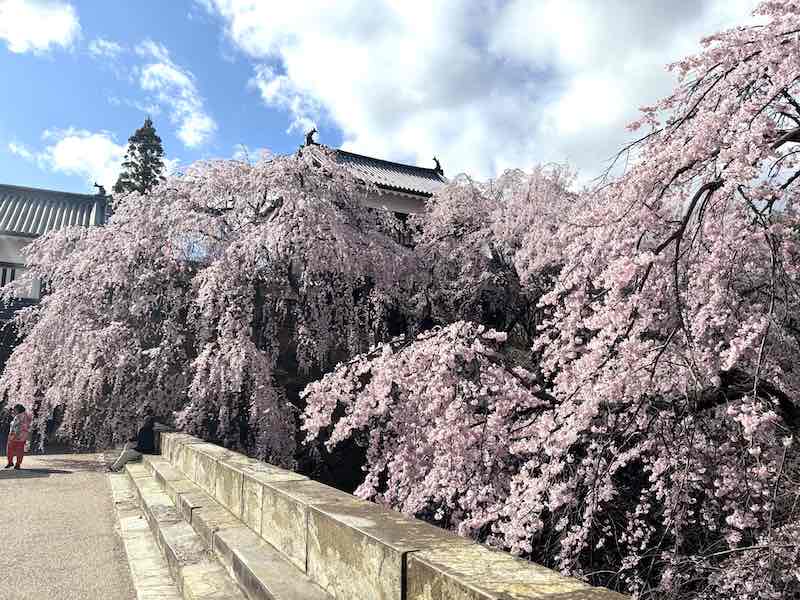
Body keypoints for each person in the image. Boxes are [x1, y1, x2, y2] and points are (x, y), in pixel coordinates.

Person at [5, 404, 32, 470]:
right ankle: (17, 464)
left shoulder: (19, 416)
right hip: (22, 437)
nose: (13, 411)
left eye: (15, 409)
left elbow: (18, 427)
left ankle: (11, 462)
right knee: (19, 451)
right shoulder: (26, 416)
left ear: (18, 410)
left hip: (15, 436)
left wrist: (15, 435)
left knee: (10, 450)